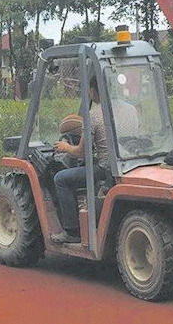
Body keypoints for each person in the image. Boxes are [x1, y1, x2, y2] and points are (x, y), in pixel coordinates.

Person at [50, 79, 140, 244]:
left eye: (89, 90)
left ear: (95, 90)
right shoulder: (131, 110)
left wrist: (65, 147)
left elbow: (81, 153)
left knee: (60, 179)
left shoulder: (94, 115)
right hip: (130, 164)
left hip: (105, 169)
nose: (89, 94)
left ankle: (71, 231)